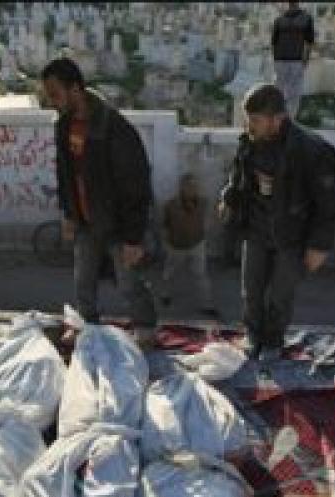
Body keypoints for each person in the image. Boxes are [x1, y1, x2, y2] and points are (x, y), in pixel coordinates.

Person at [217, 84, 335, 360]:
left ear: (278, 119)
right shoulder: (250, 141)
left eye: (256, 120)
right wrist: (229, 198)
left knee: (280, 296)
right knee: (251, 290)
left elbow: (330, 205)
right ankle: (253, 336)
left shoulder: (313, 151)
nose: (249, 125)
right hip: (256, 229)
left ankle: (273, 342)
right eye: (248, 119)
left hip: (292, 237)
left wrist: (319, 246)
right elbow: (239, 176)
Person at [40, 57, 157, 348]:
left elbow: (135, 185)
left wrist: (133, 238)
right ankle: (87, 326)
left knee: (129, 282)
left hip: (117, 223)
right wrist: (68, 212)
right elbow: (65, 173)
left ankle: (145, 329)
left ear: (75, 89)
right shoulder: (63, 125)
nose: (51, 102)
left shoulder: (114, 128)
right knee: (83, 280)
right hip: (84, 220)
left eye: (55, 94)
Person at [159, 172, 218, 318]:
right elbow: (164, 225)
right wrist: (166, 243)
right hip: (176, 246)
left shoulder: (203, 203)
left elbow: (208, 220)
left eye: (193, 186)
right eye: (188, 186)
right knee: (170, 273)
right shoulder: (171, 205)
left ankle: (206, 305)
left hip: (196, 245)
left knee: (201, 275)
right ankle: (165, 295)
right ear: (181, 188)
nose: (191, 189)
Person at [271, 1, 315, 118]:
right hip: (296, 60)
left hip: (280, 60)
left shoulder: (279, 20)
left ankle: (277, 119)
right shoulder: (306, 19)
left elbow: (273, 43)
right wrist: (305, 61)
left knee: (279, 92)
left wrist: (275, 60)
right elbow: (310, 42)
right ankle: (289, 120)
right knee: (294, 95)